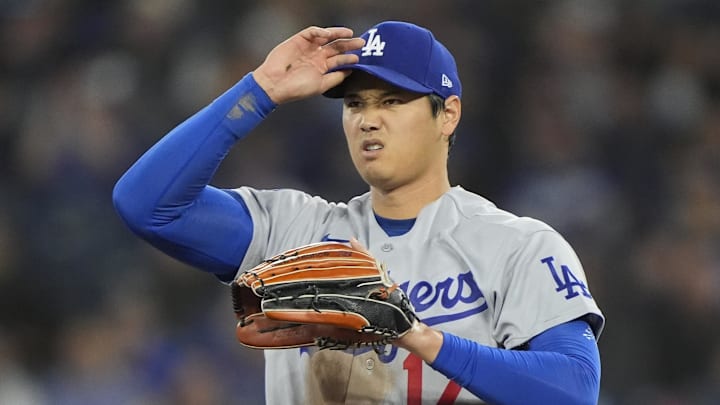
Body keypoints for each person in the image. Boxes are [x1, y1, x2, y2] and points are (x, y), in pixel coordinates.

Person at [113, 20, 605, 405]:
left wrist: (417, 336)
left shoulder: (515, 245)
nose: (369, 118)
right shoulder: (296, 229)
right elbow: (147, 205)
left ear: (447, 114)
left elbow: (573, 388)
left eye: (392, 100)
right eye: (355, 104)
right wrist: (261, 89)